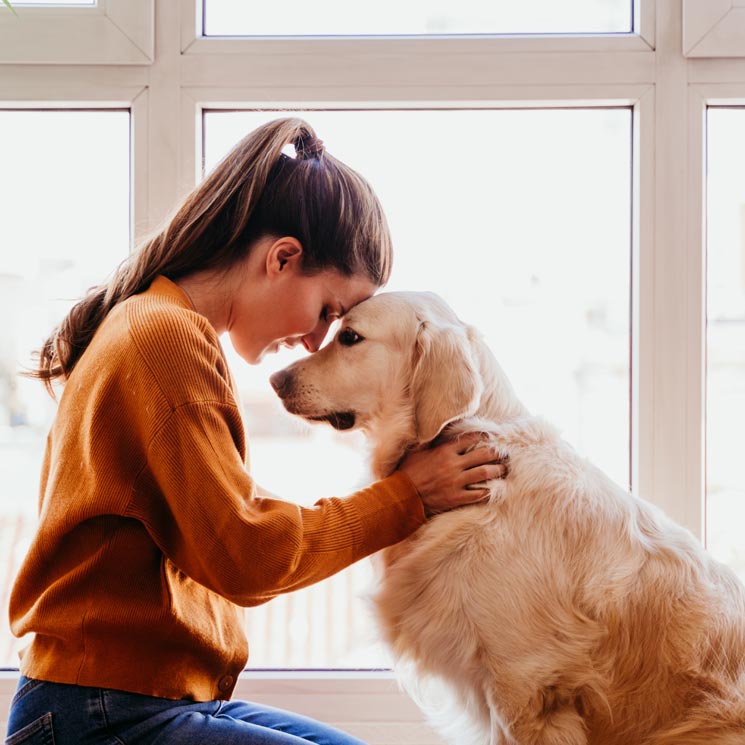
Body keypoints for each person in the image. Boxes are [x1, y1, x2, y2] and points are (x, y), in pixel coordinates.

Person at [5, 117, 507, 745]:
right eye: (327, 309)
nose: (315, 340)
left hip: (140, 700)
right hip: (97, 714)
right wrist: (409, 496)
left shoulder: (160, 325)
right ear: (282, 258)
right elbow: (248, 554)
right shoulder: (163, 337)